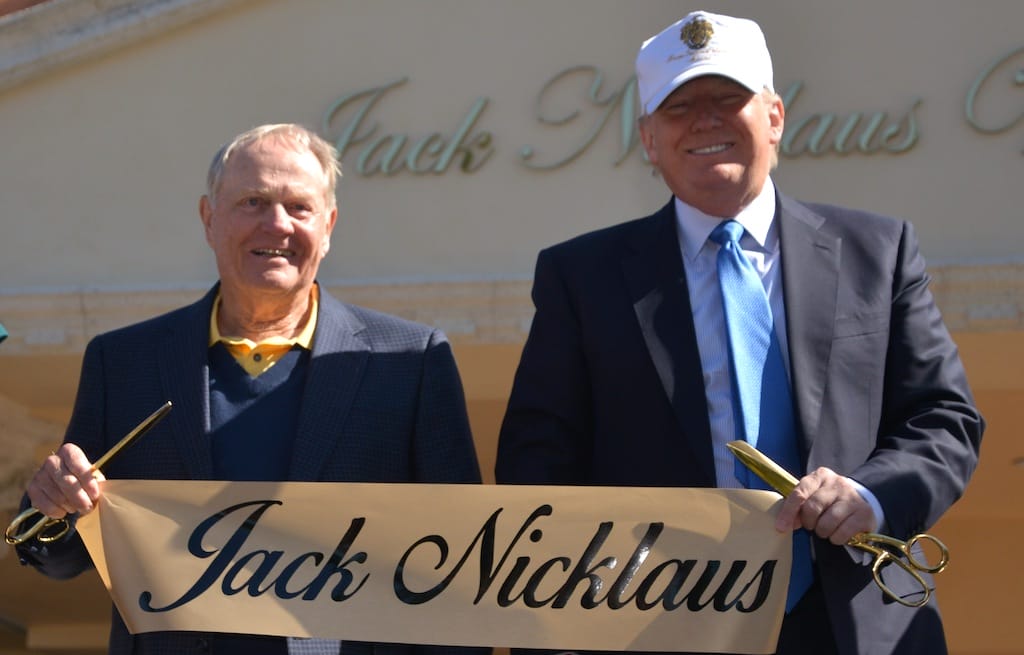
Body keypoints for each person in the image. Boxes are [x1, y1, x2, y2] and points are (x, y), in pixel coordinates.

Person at [496, 11, 983, 655]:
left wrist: (872, 495)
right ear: (648, 139)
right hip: (655, 625)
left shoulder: (878, 252)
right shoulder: (581, 278)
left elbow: (943, 417)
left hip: (855, 624)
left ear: (775, 117)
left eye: (728, 99)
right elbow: (538, 464)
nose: (705, 121)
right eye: (678, 107)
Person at [15, 123, 489, 655]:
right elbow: (66, 552)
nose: (278, 224)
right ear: (208, 218)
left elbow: (460, 565)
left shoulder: (410, 362)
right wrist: (52, 506)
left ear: (329, 226)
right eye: (253, 202)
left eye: (299, 207)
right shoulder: (124, 362)